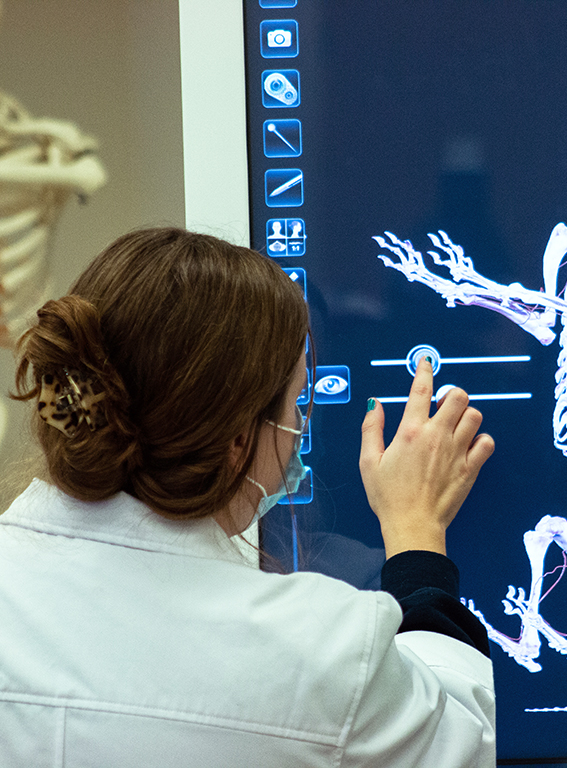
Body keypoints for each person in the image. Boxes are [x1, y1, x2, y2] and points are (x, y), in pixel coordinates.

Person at [0, 227, 496, 766]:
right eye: (296, 402)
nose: (300, 424)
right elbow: (458, 743)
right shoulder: (318, 650)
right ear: (239, 440)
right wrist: (417, 532)